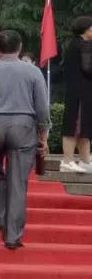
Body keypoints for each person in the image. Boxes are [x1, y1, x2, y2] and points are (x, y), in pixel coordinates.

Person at [0, 30, 51, 249]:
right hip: (23, 125)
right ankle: (13, 235)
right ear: (20, 47)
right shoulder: (32, 72)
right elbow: (42, 109)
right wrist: (43, 135)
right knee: (18, 180)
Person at [60, 16, 92, 173]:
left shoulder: (75, 44)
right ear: (85, 30)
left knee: (83, 128)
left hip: (80, 92)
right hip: (80, 93)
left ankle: (86, 161)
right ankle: (67, 161)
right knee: (74, 127)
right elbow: (88, 69)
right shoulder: (83, 45)